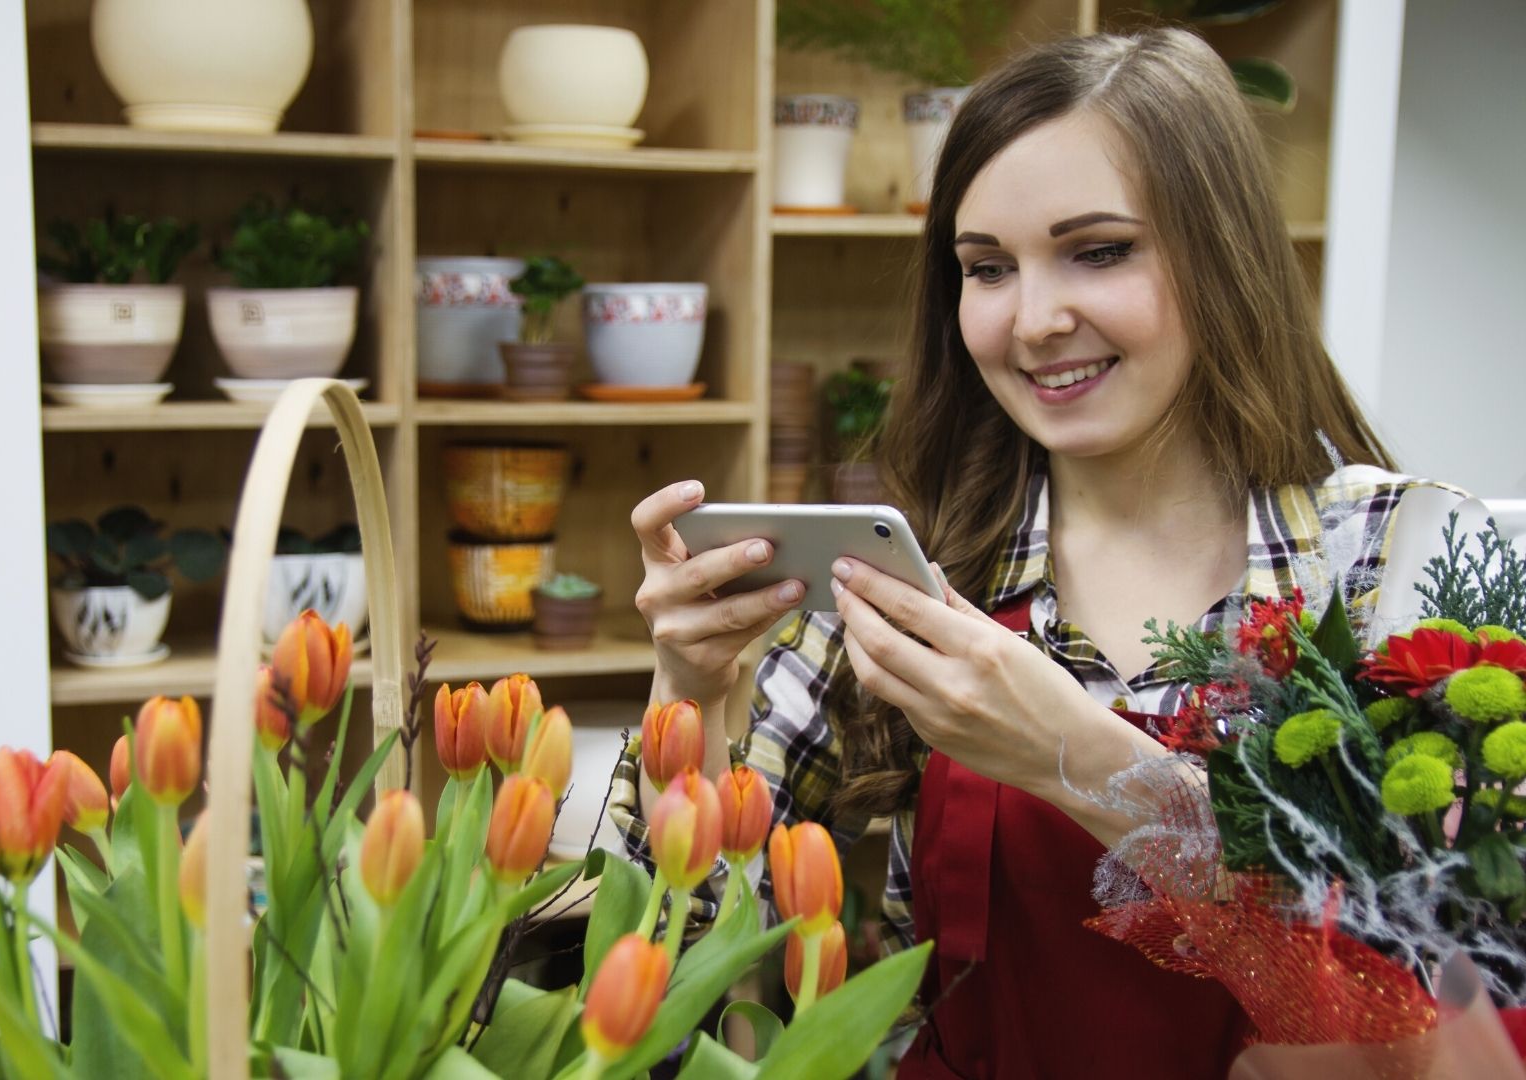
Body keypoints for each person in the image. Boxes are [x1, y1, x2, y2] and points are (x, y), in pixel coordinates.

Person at [609, 27, 1471, 1079]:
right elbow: (661, 974)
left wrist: (1083, 760)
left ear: (1223, 251)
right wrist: (687, 691)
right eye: (985, 269)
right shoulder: (911, 575)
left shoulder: (1394, 566)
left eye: (1099, 251)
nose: (1033, 320)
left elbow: (1440, 1003)